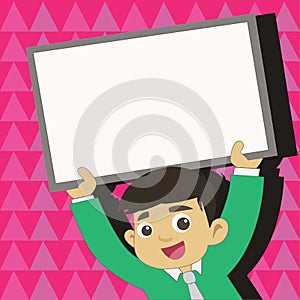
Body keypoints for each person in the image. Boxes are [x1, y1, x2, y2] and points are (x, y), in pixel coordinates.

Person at [67, 141, 264, 299]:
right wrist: (83, 198)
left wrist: (246, 170)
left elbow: (240, 222)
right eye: (147, 230)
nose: (165, 237)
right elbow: (110, 252)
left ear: (215, 231)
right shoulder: (151, 277)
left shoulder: (218, 261)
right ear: (132, 240)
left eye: (182, 223)